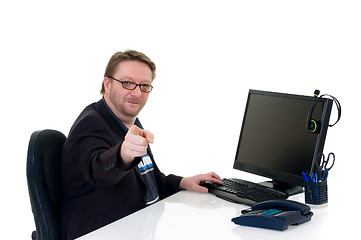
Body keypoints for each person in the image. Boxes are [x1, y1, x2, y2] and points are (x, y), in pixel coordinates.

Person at [60, 50, 223, 240]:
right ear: (108, 84)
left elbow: (148, 179)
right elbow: (98, 170)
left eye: (144, 86)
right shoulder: (90, 125)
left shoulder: (130, 122)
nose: (137, 92)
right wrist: (122, 155)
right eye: (127, 83)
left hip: (144, 227)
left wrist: (183, 182)